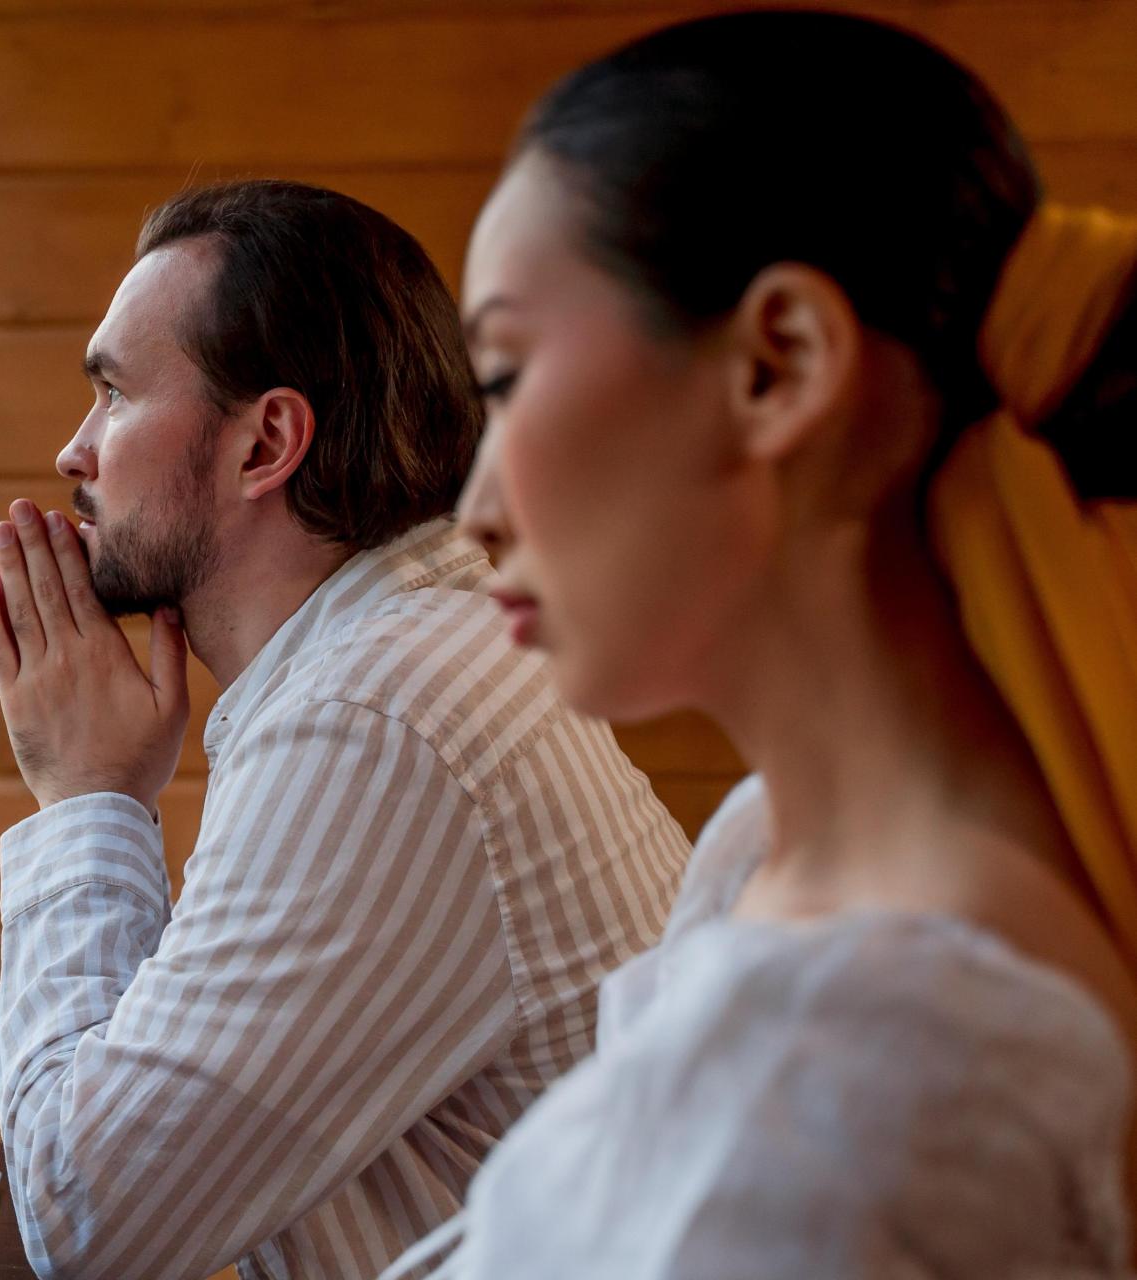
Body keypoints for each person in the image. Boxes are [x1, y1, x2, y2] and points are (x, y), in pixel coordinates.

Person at [384, 11, 1137, 1277]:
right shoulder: (756, 853)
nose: (474, 510)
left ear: (777, 365)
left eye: (505, 379)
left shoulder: (878, 1064)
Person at [0, 179, 690, 1280]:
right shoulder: (410, 654)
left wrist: (88, 802)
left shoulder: (376, 717)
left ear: (266, 444)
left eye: (113, 394)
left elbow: (88, 1221)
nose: (76, 450)